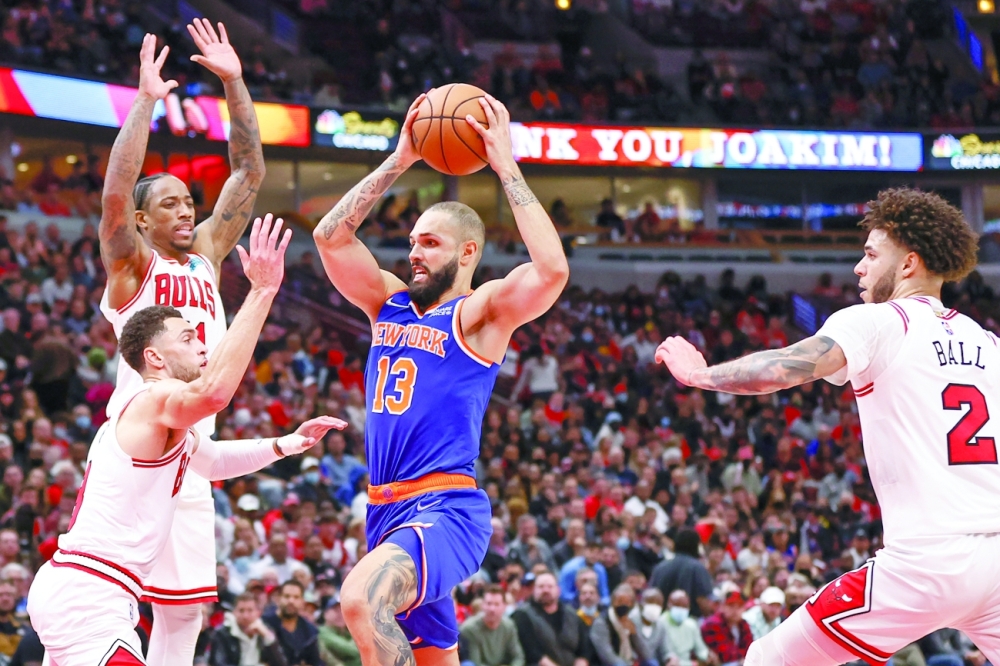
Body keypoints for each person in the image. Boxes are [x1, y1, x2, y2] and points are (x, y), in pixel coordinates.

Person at [656, 188, 1000, 665]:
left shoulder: (879, 321)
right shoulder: (987, 342)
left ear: (908, 264)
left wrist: (699, 374)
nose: (859, 268)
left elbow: (782, 368)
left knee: (767, 659)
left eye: (871, 255)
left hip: (928, 562)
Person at [313, 90, 568, 666]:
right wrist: (400, 158)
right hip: (384, 511)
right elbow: (330, 237)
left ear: (468, 252)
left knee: (360, 600)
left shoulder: (480, 314)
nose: (415, 254)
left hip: (445, 509)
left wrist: (506, 167)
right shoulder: (387, 303)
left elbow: (552, 271)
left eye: (430, 243)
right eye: (412, 243)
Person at [26, 216, 345, 666]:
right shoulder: (152, 400)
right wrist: (262, 291)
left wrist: (285, 444)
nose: (202, 343)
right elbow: (214, 394)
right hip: (89, 597)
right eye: (188, 337)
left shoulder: (165, 419)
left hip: (91, 592)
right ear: (154, 357)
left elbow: (213, 462)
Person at [95, 21, 265, 666]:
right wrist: (144, 101)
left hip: (193, 449)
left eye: (189, 201)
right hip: (139, 445)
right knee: (110, 593)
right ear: (142, 221)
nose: (186, 211)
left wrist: (235, 82)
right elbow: (116, 192)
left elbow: (248, 170)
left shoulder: (207, 256)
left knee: (185, 609)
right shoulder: (132, 266)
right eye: (169, 205)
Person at [511, 572, 595, 666]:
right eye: (541, 587)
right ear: (534, 590)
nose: (545, 590)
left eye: (550, 586)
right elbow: (533, 653)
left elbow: (584, 649)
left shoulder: (572, 614)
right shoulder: (522, 615)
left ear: (558, 590)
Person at [209, 592, 288, 666]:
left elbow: (281, 664)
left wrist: (267, 637)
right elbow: (218, 663)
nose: (245, 616)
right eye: (241, 611)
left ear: (258, 612)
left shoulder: (265, 630)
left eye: (250, 610)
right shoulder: (222, 633)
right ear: (234, 612)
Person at [649, 529, 714, 618]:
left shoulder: (660, 567)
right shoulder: (698, 568)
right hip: (690, 620)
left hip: (661, 619)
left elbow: (652, 595)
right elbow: (702, 600)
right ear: (696, 546)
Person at [458, 584, 525, 666]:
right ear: (482, 605)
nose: (492, 609)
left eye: (496, 604)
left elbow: (518, 657)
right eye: (489, 604)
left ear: (504, 606)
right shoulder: (469, 628)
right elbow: (475, 661)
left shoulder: (509, 626)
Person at [590, 583, 654, 666]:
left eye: (627, 602)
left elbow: (647, 654)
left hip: (631, 661)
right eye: (620, 601)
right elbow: (606, 654)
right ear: (613, 601)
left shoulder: (631, 620)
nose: (623, 605)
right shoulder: (601, 622)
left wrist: (635, 635)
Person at [263, 580, 322, 666]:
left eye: (296, 597)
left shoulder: (310, 631)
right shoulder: (265, 623)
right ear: (279, 598)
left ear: (302, 601)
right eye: (287, 596)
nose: (291, 601)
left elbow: (316, 661)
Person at [700, 591, 753, 666]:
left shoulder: (744, 624)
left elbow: (751, 649)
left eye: (739, 606)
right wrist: (743, 658)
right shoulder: (712, 624)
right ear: (722, 606)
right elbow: (725, 654)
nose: (735, 610)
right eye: (731, 606)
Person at [663, 591, 711, 666]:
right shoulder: (661, 623)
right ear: (669, 605)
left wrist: (707, 656)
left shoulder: (691, 624)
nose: (681, 609)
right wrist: (693, 664)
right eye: (677, 605)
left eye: (684, 606)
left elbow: (701, 649)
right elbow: (666, 656)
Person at [319, 595, 362, 666]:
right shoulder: (322, 632)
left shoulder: (346, 633)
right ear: (325, 614)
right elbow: (352, 651)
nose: (340, 614)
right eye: (336, 610)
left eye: (343, 610)